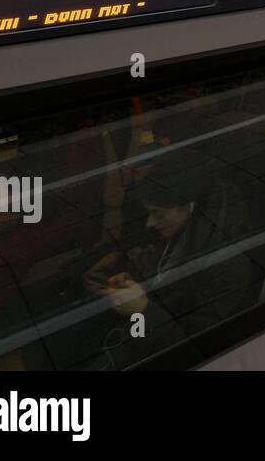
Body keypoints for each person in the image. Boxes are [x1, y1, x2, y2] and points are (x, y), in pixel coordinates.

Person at [84, 146, 252, 367]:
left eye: (158, 214)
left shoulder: (229, 265)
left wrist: (143, 310)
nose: (150, 223)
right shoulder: (178, 234)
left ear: (190, 206)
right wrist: (130, 281)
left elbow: (196, 349)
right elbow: (156, 274)